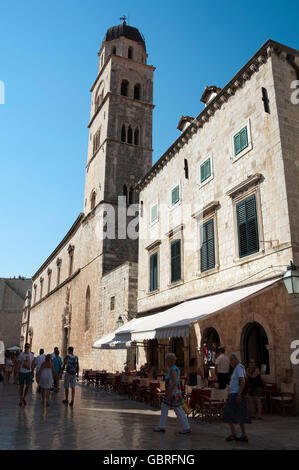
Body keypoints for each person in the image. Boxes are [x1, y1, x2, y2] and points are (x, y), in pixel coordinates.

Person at [154, 353, 191, 434]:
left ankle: (186, 427)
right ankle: (162, 426)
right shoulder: (174, 368)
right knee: (169, 408)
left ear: (170, 361)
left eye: (166, 360)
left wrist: (170, 394)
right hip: (174, 391)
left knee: (177, 409)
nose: (166, 362)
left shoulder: (173, 369)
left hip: (172, 392)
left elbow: (174, 382)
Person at [222, 353, 251, 442]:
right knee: (240, 414)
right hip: (235, 394)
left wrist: (238, 394)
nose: (230, 362)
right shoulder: (238, 368)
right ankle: (243, 434)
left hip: (236, 394)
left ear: (236, 359)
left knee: (228, 413)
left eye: (231, 359)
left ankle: (234, 434)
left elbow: (242, 382)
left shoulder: (238, 367)